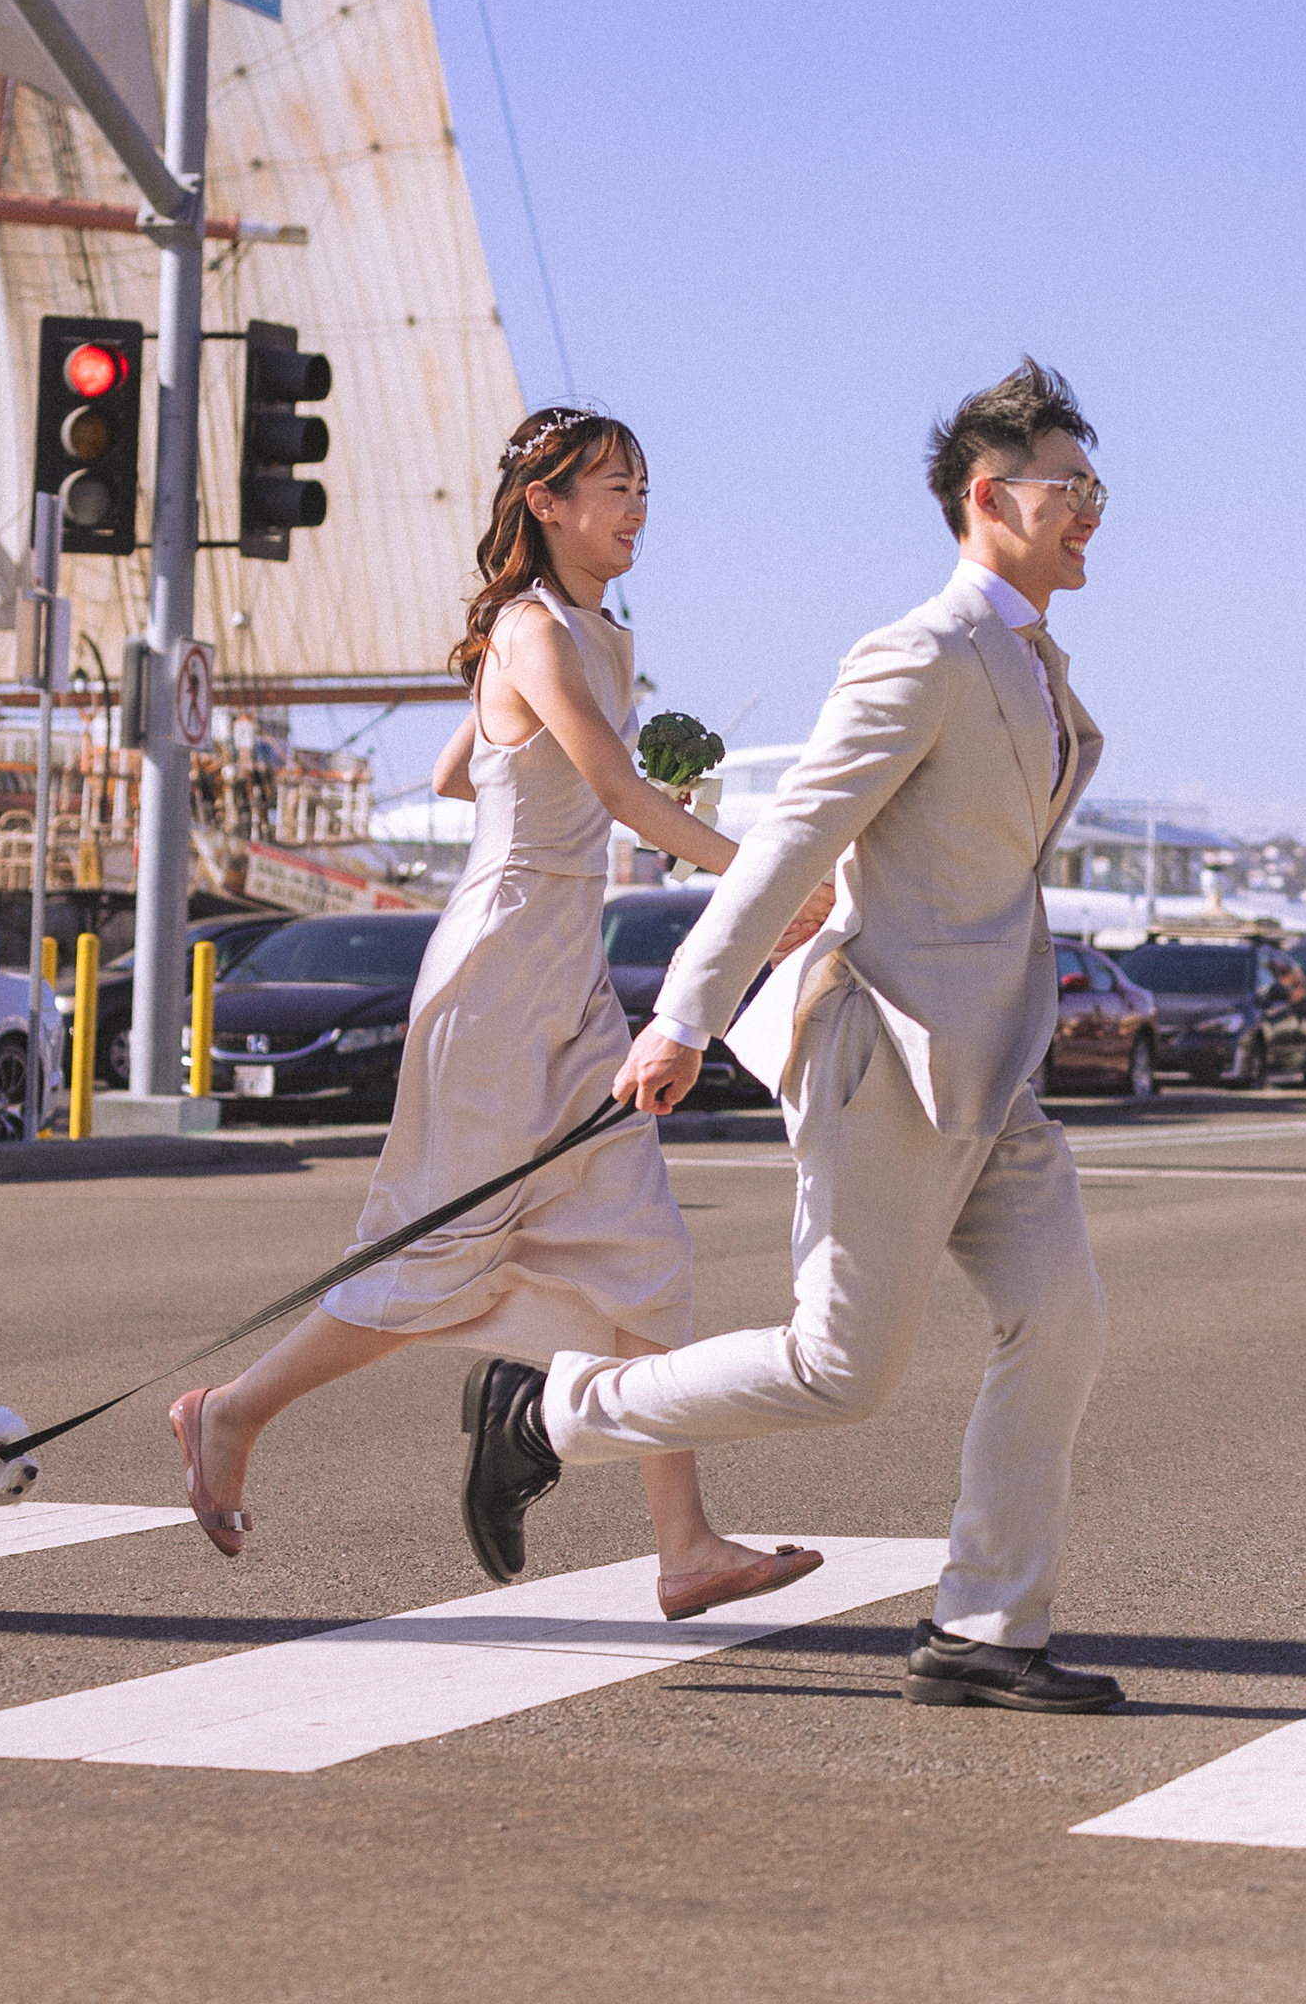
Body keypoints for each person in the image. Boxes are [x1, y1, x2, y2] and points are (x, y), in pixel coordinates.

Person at [460, 358, 1128, 1714]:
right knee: (840, 1372)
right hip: (883, 1056)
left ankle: (987, 1629)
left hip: (990, 1066)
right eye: (1070, 487)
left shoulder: (1034, 662)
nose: (1090, 513)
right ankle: (547, 1414)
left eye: (1096, 489)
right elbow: (790, 846)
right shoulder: (923, 653)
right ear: (989, 498)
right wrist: (685, 1016)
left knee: (1060, 1322)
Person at [169, 406, 824, 1624]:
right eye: (613, 486)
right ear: (547, 503)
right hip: (497, 973)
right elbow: (616, 793)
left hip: (564, 974)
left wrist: (535, 755)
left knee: (643, 1255)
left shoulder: (593, 636)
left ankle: (685, 1548)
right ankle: (231, 1413)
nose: (635, 507)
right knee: (438, 1253)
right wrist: (767, 879)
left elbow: (453, 773)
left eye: (642, 486)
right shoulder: (531, 628)